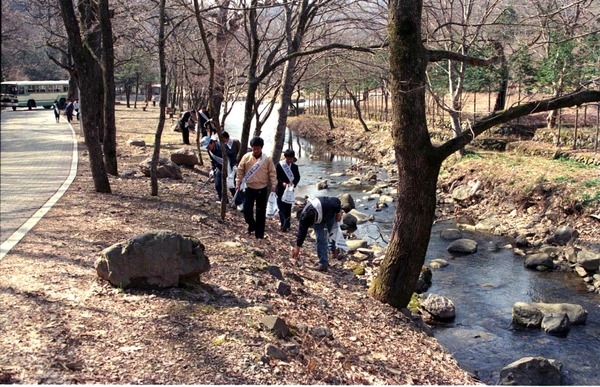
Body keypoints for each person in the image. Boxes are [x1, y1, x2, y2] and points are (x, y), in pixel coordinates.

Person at [235, 136, 277, 239]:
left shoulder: (267, 159)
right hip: (249, 187)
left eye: (258, 148)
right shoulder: (246, 157)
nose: (256, 150)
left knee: (260, 212)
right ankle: (251, 225)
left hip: (262, 188)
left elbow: (272, 172)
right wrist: (237, 183)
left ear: (261, 148)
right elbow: (240, 170)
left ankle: (259, 234)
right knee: (246, 209)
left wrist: (274, 184)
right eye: (254, 148)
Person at [292, 196, 343, 272]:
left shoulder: (328, 204)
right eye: (311, 225)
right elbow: (302, 232)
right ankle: (323, 263)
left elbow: (336, 200)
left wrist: (338, 213)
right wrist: (297, 248)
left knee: (333, 232)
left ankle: (333, 249)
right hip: (318, 221)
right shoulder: (305, 218)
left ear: (315, 213)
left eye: (312, 223)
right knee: (320, 239)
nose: (311, 225)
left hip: (329, 214)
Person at [205, 137, 237, 203]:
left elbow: (232, 154)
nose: (208, 148)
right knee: (218, 185)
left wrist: (234, 165)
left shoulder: (222, 146)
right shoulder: (209, 151)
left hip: (229, 167)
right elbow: (213, 161)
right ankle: (224, 201)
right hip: (220, 168)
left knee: (232, 186)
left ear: (212, 143)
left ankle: (239, 202)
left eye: (208, 146)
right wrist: (213, 169)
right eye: (206, 147)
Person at [276, 149, 301, 232]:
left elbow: (297, 177)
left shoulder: (295, 167)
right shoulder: (279, 165)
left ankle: (288, 224)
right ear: (285, 157)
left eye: (291, 159)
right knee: (281, 208)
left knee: (288, 208)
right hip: (280, 190)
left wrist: (293, 183)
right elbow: (276, 177)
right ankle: (283, 224)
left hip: (290, 191)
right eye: (288, 159)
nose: (289, 160)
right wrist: (282, 183)